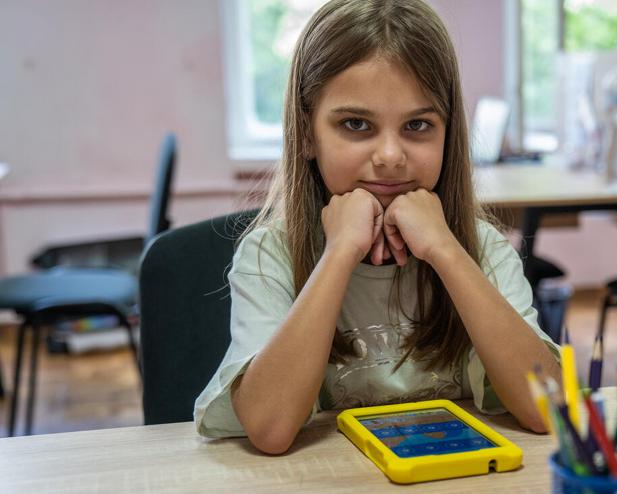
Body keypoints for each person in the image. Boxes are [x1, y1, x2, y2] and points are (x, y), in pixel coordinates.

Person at [195, 0, 561, 454]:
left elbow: (547, 407)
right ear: (308, 133)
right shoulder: (271, 255)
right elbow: (269, 429)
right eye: (356, 124)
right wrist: (339, 253)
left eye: (418, 125)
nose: (390, 155)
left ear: (449, 133)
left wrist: (447, 252)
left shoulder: (481, 251)